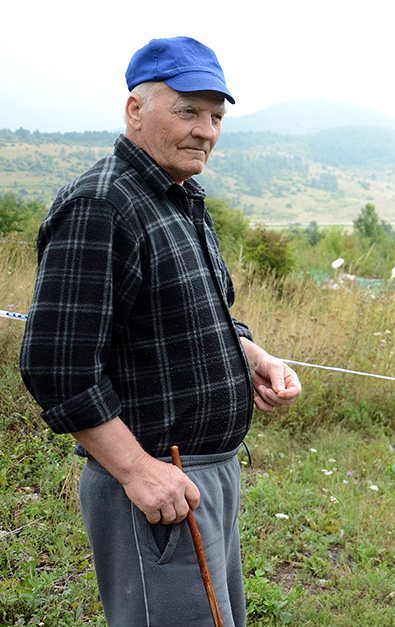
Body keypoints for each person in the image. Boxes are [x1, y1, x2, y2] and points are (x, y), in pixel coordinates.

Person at [19, 37, 301, 627]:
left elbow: (196, 316)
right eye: (188, 111)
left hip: (202, 477)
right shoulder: (103, 206)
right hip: (159, 481)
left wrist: (251, 355)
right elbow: (55, 366)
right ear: (136, 110)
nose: (206, 131)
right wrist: (136, 471)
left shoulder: (178, 199)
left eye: (216, 116)